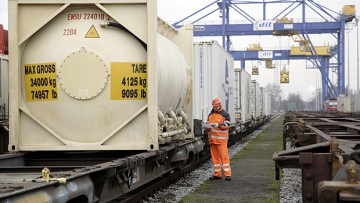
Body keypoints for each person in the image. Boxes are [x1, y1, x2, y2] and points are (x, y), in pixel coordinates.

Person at [207, 98, 232, 181]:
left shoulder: (225, 114)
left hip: (221, 141)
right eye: (214, 107)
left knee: (224, 158)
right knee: (215, 159)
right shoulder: (210, 114)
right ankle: (217, 174)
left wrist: (218, 125)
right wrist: (206, 126)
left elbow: (228, 124)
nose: (215, 108)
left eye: (216, 107)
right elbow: (208, 123)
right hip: (213, 141)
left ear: (219, 105)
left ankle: (228, 174)